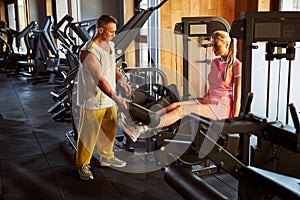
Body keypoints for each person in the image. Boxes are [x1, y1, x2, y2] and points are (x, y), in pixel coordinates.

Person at [74, 14, 131, 181]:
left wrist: (122, 80)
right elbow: (98, 79)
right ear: (101, 30)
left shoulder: (110, 45)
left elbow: (112, 66)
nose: (114, 34)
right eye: (111, 31)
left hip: (108, 98)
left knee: (109, 129)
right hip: (92, 100)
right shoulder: (88, 51)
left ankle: (106, 157)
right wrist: (117, 98)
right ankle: (83, 164)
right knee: (88, 134)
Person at [154, 30, 242, 128]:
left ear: (226, 44)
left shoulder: (236, 65)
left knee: (180, 111)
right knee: (174, 105)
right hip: (208, 100)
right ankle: (146, 118)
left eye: (216, 45)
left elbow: (237, 97)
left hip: (221, 107)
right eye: (212, 46)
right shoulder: (215, 62)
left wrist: (234, 123)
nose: (213, 49)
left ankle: (143, 128)